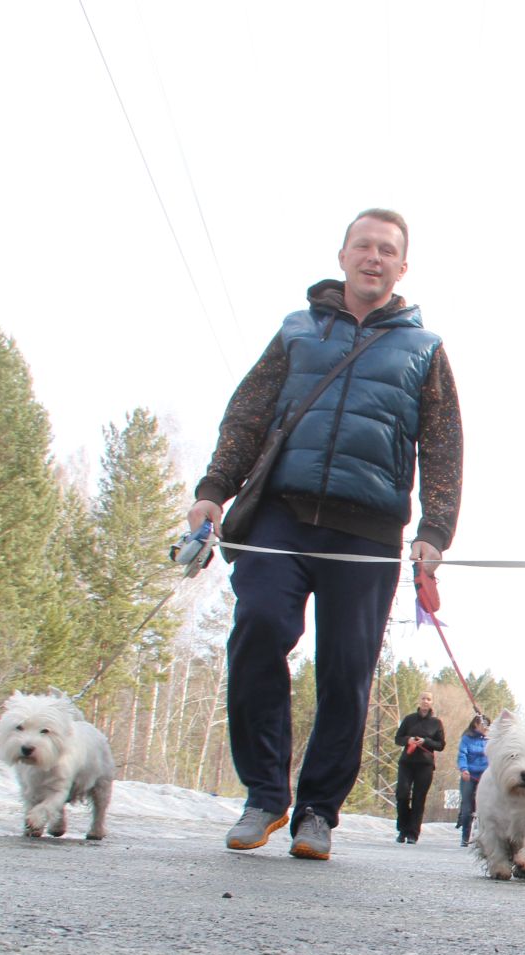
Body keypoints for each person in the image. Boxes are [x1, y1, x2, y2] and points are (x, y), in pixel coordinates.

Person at [188, 209, 462, 860]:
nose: (374, 257)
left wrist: (435, 532)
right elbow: (246, 419)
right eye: (363, 245)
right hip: (280, 515)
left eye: (387, 250)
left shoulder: (424, 350)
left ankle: (317, 810)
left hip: (365, 532)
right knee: (256, 629)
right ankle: (263, 794)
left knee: (346, 671)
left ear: (403, 267)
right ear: (342, 255)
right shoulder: (296, 331)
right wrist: (209, 493)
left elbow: (444, 446)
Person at [393, 691, 445, 843]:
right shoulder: (409, 719)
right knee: (402, 795)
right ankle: (402, 828)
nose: (425, 701)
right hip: (406, 762)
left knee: (419, 798)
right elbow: (398, 738)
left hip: (425, 765)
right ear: (419, 700)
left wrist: (426, 741)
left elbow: (441, 745)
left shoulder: (436, 723)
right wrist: (408, 740)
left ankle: (413, 833)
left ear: (431, 702)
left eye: (428, 699)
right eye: (423, 698)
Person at [456, 713, 489, 847]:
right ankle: (465, 836)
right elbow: (462, 755)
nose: (485, 727)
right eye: (483, 724)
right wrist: (464, 769)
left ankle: (484, 836)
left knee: (486, 808)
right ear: (476, 725)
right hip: (469, 775)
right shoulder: (467, 738)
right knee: (467, 807)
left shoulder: (491, 740)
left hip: (486, 777)